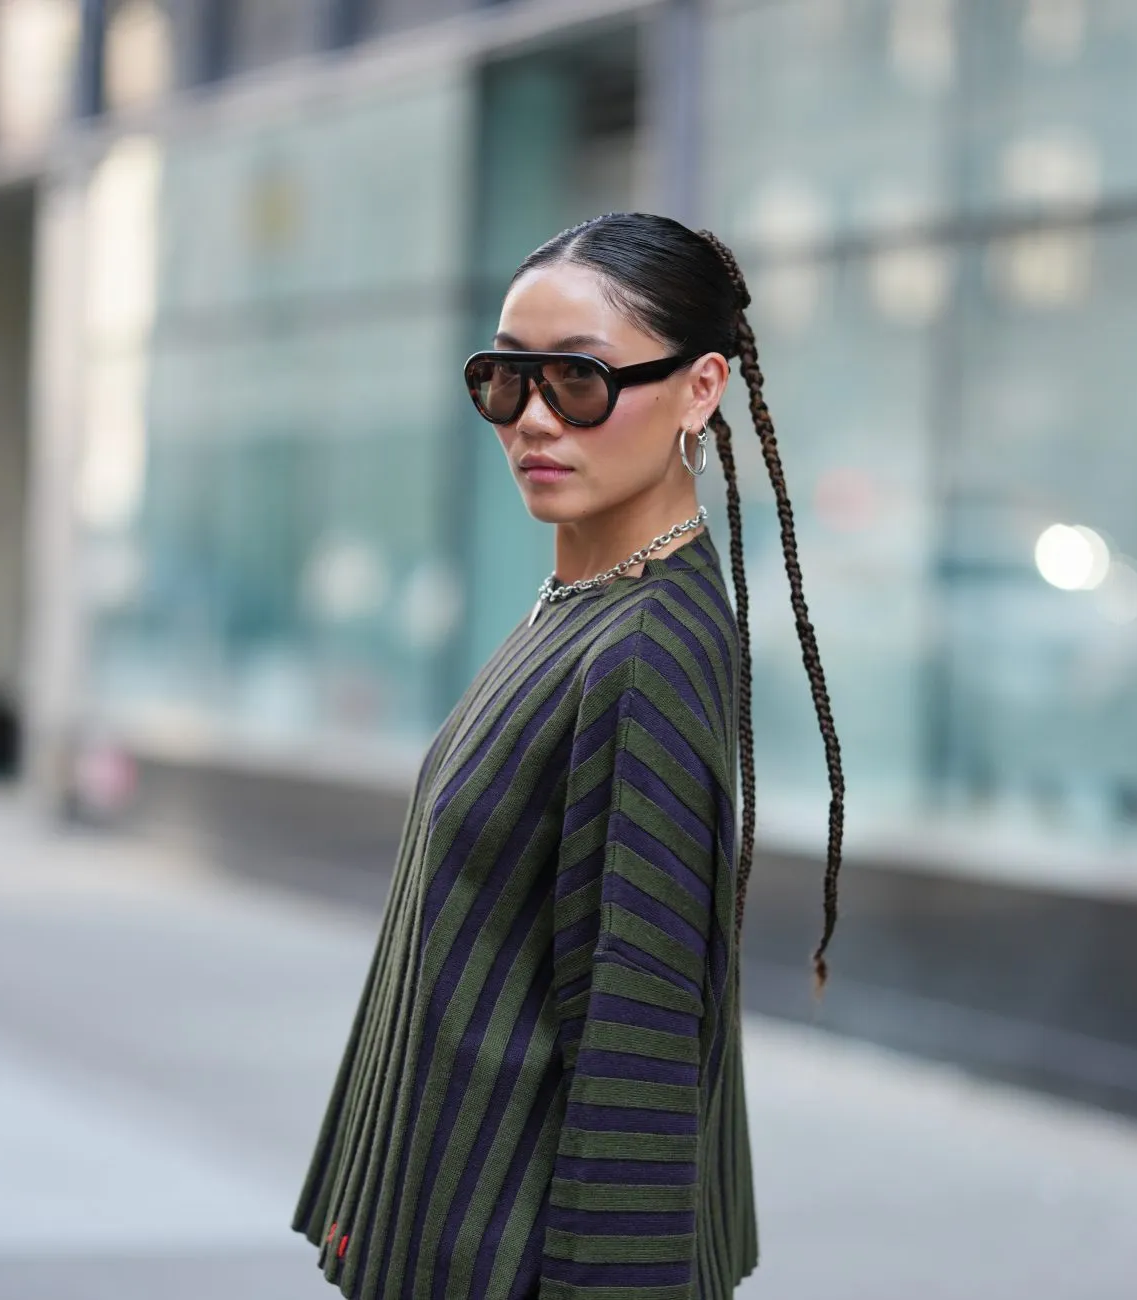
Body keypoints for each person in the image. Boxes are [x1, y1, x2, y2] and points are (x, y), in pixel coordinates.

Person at [291, 212, 846, 1300]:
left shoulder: (643, 651)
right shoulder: (583, 606)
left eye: (579, 383)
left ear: (699, 389)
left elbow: (636, 1039)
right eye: (504, 380)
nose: (531, 419)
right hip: (463, 1236)